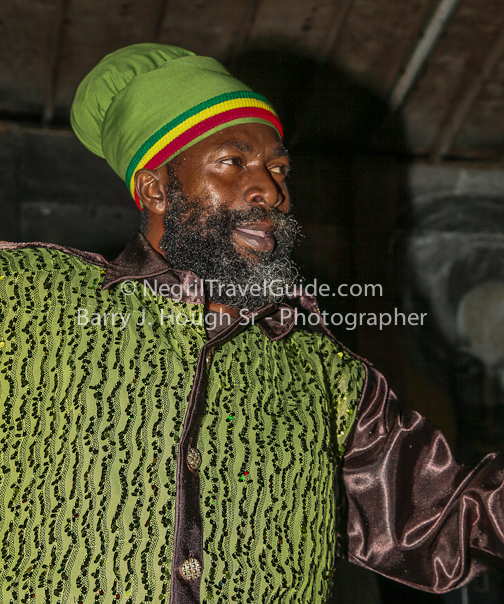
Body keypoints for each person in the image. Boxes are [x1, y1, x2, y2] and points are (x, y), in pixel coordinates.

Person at [0, 43, 503, 604]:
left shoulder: (323, 373)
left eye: (278, 168)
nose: (272, 190)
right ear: (155, 189)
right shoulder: (27, 294)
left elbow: (451, 518)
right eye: (233, 162)